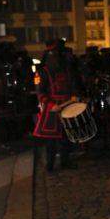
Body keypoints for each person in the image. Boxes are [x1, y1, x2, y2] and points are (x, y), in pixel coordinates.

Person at [33, 39, 78, 171]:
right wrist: (51, 104)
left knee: (66, 137)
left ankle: (65, 162)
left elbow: (71, 85)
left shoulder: (66, 70)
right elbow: (40, 92)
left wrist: (74, 95)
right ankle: (50, 165)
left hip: (66, 107)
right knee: (51, 140)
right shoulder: (42, 72)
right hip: (51, 110)